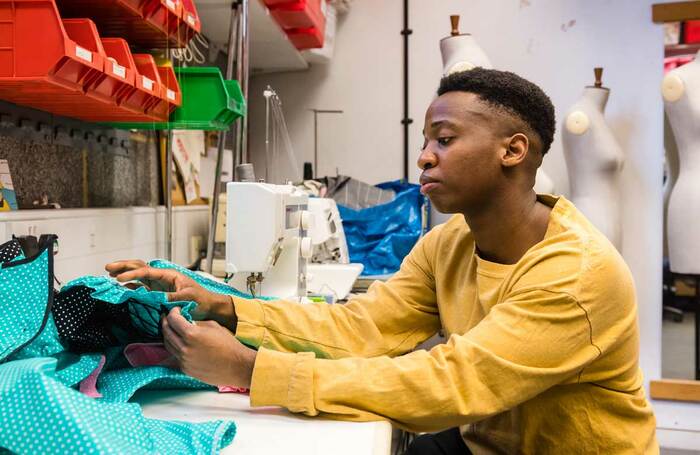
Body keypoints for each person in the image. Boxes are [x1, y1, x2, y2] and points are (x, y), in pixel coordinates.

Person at [106, 68, 658, 454]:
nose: (423, 156)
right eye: (426, 140)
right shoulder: (450, 244)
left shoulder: (575, 276)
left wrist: (251, 370)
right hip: (487, 438)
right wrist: (225, 306)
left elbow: (450, 386)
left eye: (444, 139)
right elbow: (364, 327)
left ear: (512, 151)